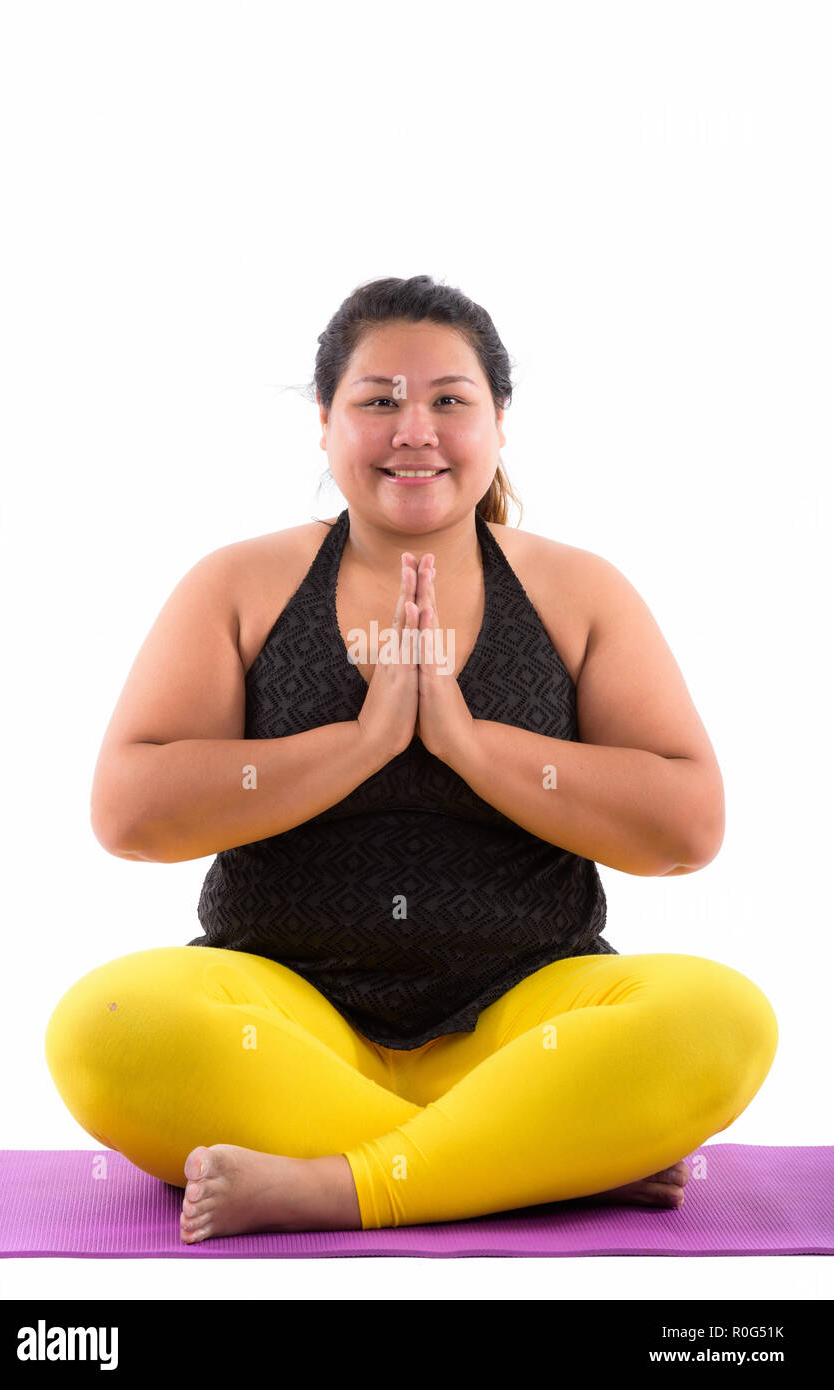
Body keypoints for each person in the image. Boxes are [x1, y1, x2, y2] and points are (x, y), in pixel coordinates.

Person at [44, 275, 778, 1241]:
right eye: (378, 400)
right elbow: (129, 815)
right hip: (288, 1032)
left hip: (525, 1031)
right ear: (324, 421)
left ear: (500, 421)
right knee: (107, 1023)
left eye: (449, 400)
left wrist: (467, 742)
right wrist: (360, 743)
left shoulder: (577, 591)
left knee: (720, 1018)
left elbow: (686, 830)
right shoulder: (241, 585)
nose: (414, 429)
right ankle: (525, 1161)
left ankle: (342, 1186)